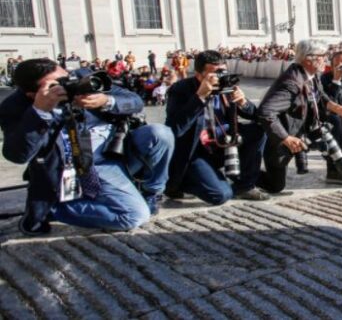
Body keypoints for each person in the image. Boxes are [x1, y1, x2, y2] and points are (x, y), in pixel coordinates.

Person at [0, 58, 174, 235]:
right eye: (57, 84)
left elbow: (135, 100)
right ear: (32, 93)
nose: (67, 84)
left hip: (115, 150)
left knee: (160, 133)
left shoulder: (83, 77)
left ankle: (151, 193)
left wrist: (107, 101)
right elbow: (17, 155)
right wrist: (39, 111)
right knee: (133, 216)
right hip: (80, 166)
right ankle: (54, 208)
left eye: (66, 77)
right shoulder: (15, 106)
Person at [164, 50, 269, 204]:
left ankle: (244, 186)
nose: (220, 77)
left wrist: (243, 103)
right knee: (220, 195)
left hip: (223, 143)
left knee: (258, 131)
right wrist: (199, 97)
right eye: (215, 74)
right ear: (199, 75)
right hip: (197, 150)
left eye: (223, 72)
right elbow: (175, 128)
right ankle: (182, 181)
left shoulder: (226, 85)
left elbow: (255, 115)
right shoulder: (180, 90)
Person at [256, 40, 342, 190]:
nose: (326, 59)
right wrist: (286, 138)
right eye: (323, 56)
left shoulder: (311, 74)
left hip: (305, 129)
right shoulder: (291, 82)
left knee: (334, 120)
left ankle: (336, 170)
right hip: (284, 135)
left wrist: (335, 107)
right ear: (309, 59)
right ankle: (242, 175)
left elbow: (320, 96)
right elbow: (266, 112)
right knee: (275, 185)